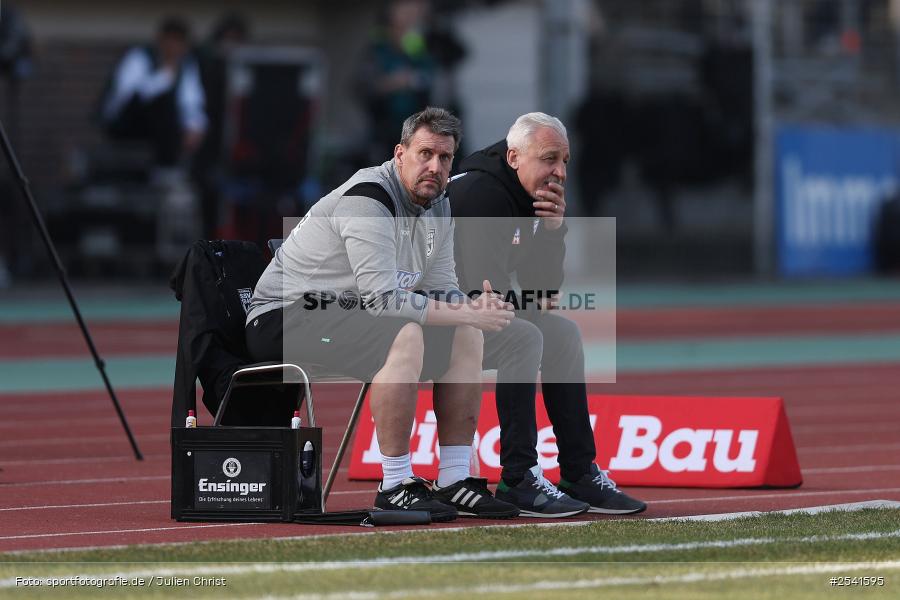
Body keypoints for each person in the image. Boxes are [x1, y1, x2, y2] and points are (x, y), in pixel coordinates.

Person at [245, 107, 519, 522]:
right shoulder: (368, 200)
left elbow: (441, 284)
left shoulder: (439, 204)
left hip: (346, 315)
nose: (435, 166)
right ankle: (394, 485)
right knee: (404, 332)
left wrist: (473, 310)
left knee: (467, 332)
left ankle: (455, 481)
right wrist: (465, 311)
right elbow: (382, 302)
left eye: (445, 158)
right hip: (282, 317)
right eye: (425, 153)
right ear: (399, 153)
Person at [449, 112, 647, 517]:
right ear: (514, 157)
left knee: (563, 333)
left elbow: (544, 293)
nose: (559, 171)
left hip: (469, 313)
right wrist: (532, 301)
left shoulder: (531, 197)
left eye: (565, 161)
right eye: (549, 158)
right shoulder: (483, 196)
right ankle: (517, 476)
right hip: (427, 322)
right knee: (525, 336)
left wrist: (554, 230)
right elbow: (488, 297)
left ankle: (578, 472)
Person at [99, 16, 207, 168]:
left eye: (179, 43)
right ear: (161, 40)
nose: (174, 47)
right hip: (126, 123)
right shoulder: (139, 58)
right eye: (171, 41)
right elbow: (128, 97)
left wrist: (195, 128)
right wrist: (165, 76)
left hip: (163, 129)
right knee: (161, 104)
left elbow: (191, 102)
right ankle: (165, 164)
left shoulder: (186, 65)